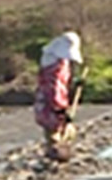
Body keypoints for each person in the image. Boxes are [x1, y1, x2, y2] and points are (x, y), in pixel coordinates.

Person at [34, 31, 85, 161]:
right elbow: (54, 89)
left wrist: (75, 84)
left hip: (53, 101)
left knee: (62, 129)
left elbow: (62, 83)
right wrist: (60, 109)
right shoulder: (53, 66)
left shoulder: (60, 61)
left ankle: (58, 151)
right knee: (54, 129)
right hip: (51, 103)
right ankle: (56, 153)